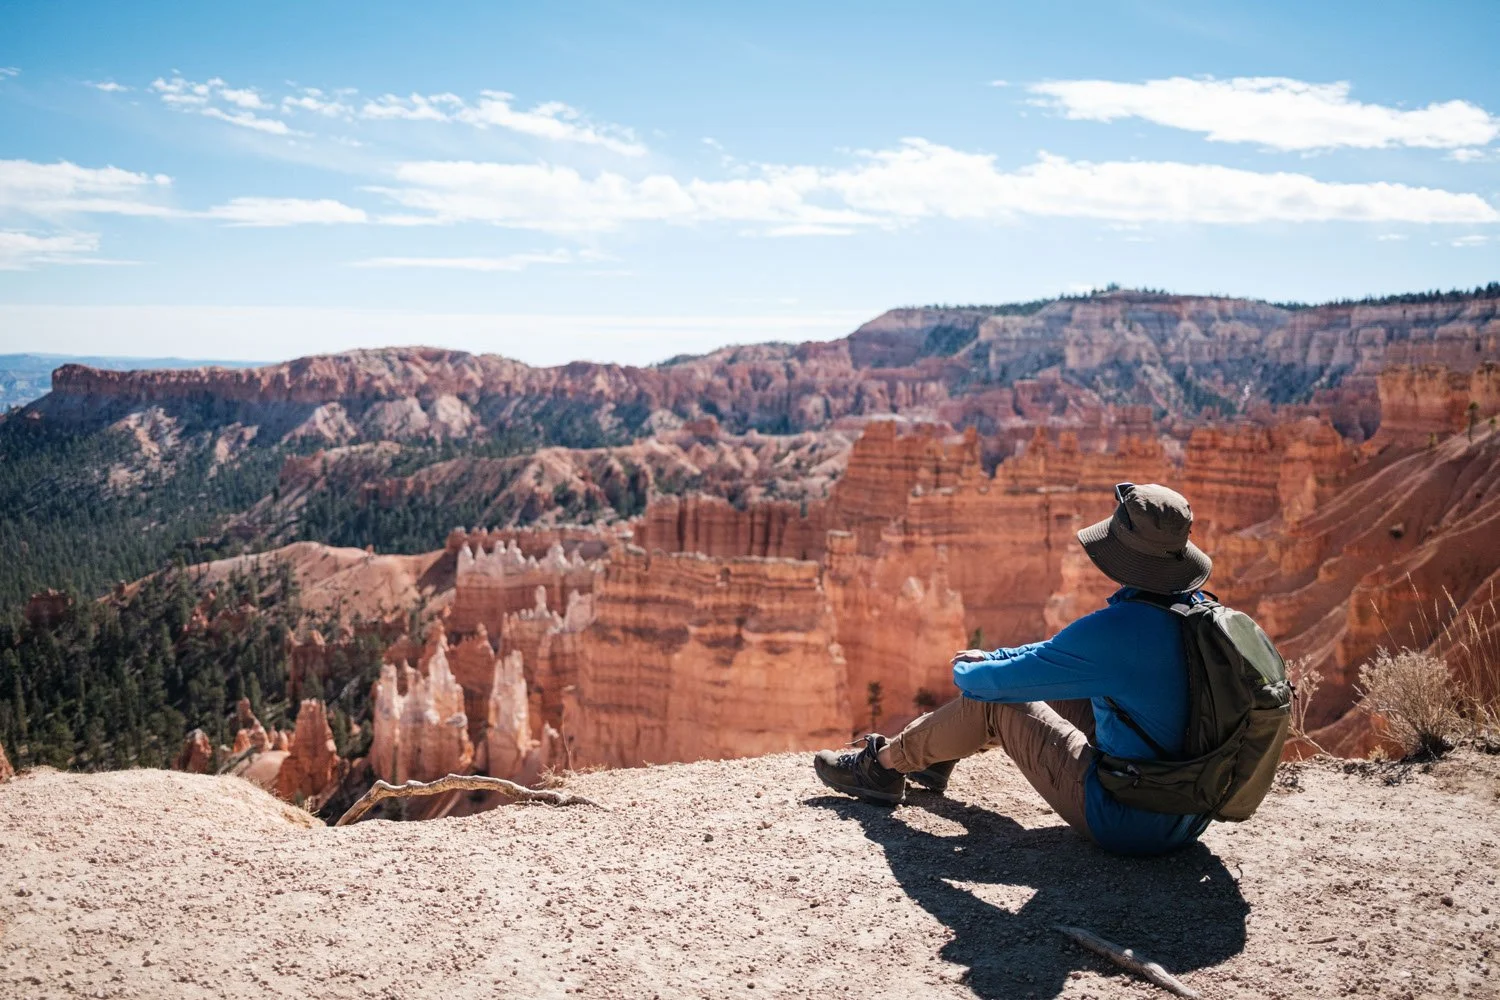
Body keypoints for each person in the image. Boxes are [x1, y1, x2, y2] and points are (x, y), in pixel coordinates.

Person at [813, 482, 1219, 857]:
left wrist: (973, 670)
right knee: (1036, 684)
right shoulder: (1192, 613)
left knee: (996, 702)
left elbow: (990, 687)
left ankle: (879, 768)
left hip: (1129, 820)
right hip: (1186, 808)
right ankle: (933, 755)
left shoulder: (1120, 629)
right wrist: (1000, 658)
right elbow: (1057, 657)